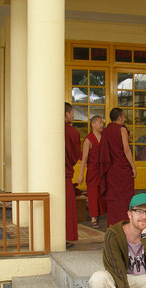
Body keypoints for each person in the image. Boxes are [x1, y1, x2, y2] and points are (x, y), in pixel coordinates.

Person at [99, 108, 136, 227]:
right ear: (119, 118)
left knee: (114, 199)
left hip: (111, 170)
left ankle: (113, 224)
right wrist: (133, 167)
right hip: (122, 169)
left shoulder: (106, 131)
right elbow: (126, 149)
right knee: (124, 198)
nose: (124, 119)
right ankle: (125, 224)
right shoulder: (122, 129)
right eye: (124, 116)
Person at [78, 115, 106, 228]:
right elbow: (84, 158)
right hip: (93, 171)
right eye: (100, 122)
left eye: (102, 122)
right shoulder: (88, 140)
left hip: (103, 170)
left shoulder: (105, 137)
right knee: (93, 194)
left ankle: (101, 213)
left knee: (102, 193)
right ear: (93, 124)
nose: (102, 124)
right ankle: (94, 218)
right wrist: (80, 174)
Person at [65, 102, 82, 246]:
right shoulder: (71, 131)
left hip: (50, 174)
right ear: (66, 114)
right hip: (65, 173)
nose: (73, 116)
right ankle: (65, 237)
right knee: (67, 208)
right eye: (72, 113)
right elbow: (76, 154)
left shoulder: (52, 129)